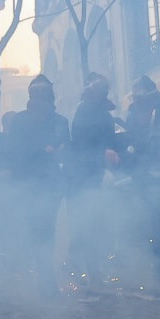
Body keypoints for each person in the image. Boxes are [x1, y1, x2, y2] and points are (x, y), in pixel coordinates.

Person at [2, 75, 69, 295]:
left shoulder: (60, 122)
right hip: (27, 184)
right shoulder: (20, 121)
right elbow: (13, 151)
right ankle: (33, 278)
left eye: (43, 96)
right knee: (32, 230)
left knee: (47, 230)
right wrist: (43, 151)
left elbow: (64, 150)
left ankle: (46, 280)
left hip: (51, 184)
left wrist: (52, 152)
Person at [121, 76, 160, 276]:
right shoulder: (132, 117)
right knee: (151, 216)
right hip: (143, 174)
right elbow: (131, 141)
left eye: (141, 97)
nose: (138, 102)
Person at [66, 77, 120, 281]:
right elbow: (81, 145)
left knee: (96, 223)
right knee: (85, 222)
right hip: (82, 176)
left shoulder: (104, 115)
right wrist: (102, 153)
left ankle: (91, 267)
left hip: (97, 175)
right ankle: (81, 267)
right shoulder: (83, 112)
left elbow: (109, 140)